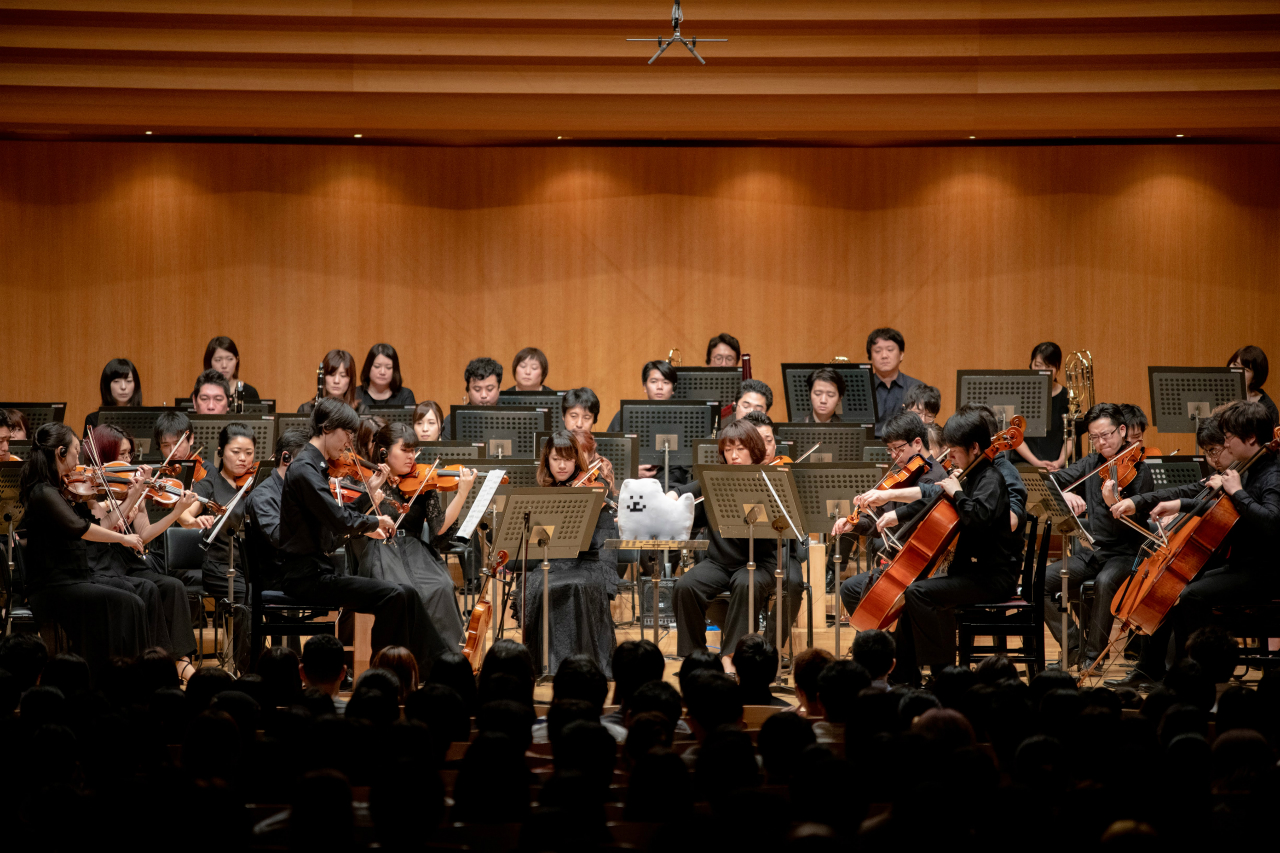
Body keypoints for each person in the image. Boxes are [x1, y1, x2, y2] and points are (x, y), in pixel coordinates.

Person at [1108, 401, 1279, 688]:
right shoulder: (1247, 467)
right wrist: (1182, 501)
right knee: (1176, 589)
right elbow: (1217, 504)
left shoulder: (1271, 473)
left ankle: (1198, 676)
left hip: (1264, 571)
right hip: (1242, 564)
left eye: (1229, 437)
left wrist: (1237, 492)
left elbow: (1272, 523)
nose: (1225, 443)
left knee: (1191, 596)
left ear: (1250, 438)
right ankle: (1166, 671)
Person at [277, 398, 451, 665]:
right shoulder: (305, 470)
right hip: (305, 578)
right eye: (347, 433)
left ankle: (434, 665)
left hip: (317, 572)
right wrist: (375, 522)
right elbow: (339, 520)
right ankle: (385, 671)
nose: (349, 442)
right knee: (394, 595)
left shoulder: (313, 467)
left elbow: (335, 522)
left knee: (407, 593)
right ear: (327, 428)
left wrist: (369, 494)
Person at [890, 409, 1023, 684]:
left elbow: (978, 519)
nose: (949, 458)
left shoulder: (991, 479)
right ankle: (904, 678)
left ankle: (944, 677)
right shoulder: (971, 475)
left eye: (954, 451)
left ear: (974, 447)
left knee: (920, 593)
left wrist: (958, 493)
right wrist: (897, 513)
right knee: (910, 595)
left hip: (993, 576)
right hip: (971, 572)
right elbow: (935, 498)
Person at [671, 419, 804, 666]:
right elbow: (681, 492)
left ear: (754, 450)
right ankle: (695, 658)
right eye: (728, 449)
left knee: (746, 583)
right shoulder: (715, 478)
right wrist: (671, 497)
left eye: (740, 449)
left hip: (760, 561)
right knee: (685, 586)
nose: (733, 456)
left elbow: (787, 525)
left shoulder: (770, 479)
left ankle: (731, 658)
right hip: (720, 562)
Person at [18, 423, 149, 668]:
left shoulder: (60, 489)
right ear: (60, 452)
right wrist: (123, 538)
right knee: (130, 603)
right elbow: (81, 528)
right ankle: (120, 674)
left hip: (77, 579)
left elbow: (101, 524)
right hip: (54, 585)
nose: (79, 460)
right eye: (76, 452)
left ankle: (125, 674)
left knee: (133, 598)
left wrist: (131, 498)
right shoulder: (43, 492)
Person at [1040, 403, 1155, 671]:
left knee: (1104, 582)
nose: (1101, 442)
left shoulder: (1140, 470)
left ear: (1122, 431)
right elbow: (1051, 481)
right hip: (1095, 551)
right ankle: (1073, 646)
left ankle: (1093, 657)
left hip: (1127, 553)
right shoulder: (1091, 463)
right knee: (1040, 581)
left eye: (1106, 435)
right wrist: (1065, 493)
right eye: (1094, 437)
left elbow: (1135, 522)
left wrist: (1114, 501)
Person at [82, 425, 200, 678]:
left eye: (130, 454)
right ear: (104, 455)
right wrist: (129, 500)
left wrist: (177, 512)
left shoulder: (130, 485)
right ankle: (157, 666)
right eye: (121, 455)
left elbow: (143, 535)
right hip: (98, 562)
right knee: (148, 589)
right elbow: (101, 527)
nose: (127, 462)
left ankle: (181, 659)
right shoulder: (89, 490)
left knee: (173, 586)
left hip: (125, 560)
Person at [349, 422, 473, 649]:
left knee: (443, 585)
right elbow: (352, 521)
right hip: (380, 552)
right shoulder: (367, 480)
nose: (411, 456)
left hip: (416, 551)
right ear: (384, 453)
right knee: (401, 591)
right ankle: (401, 656)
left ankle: (443, 656)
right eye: (404, 450)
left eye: (413, 450)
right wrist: (370, 495)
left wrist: (461, 494)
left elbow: (439, 528)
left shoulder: (422, 482)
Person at [515, 431, 619, 676]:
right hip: (554, 561)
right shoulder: (546, 492)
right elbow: (538, 540)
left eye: (568, 459)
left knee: (575, 585)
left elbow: (600, 539)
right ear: (546, 461)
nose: (561, 465)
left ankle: (579, 662)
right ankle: (545, 663)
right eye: (555, 459)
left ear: (577, 460)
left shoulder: (594, 487)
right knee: (536, 583)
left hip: (589, 561)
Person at [830, 411, 948, 618]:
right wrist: (854, 524)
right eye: (890, 450)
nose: (893, 456)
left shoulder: (934, 477)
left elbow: (913, 514)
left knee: (856, 589)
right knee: (850, 588)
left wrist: (889, 502)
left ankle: (885, 633)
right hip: (899, 564)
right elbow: (880, 522)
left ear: (917, 443)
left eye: (898, 449)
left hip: (918, 567)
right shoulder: (906, 476)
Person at [182, 422, 259, 670]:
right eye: (236, 452)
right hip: (220, 567)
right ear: (221, 452)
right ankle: (249, 670)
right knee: (246, 603)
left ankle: (274, 663)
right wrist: (195, 521)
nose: (243, 458)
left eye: (248, 453)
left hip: (253, 566)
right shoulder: (210, 484)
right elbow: (184, 514)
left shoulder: (257, 483)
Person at [244, 427, 311, 593]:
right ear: (286, 458)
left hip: (303, 573)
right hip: (280, 580)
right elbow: (280, 538)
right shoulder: (262, 497)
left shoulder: (301, 491)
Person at [607, 360, 683, 484]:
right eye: (653, 381)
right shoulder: (625, 415)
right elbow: (607, 456)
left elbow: (688, 467)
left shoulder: (685, 419)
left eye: (666, 382)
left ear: (673, 388)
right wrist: (630, 471)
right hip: (632, 482)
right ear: (644, 386)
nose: (659, 387)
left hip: (672, 484)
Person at [1017, 342, 1069, 471]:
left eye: (1049, 366)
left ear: (1058, 369)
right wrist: (1036, 463)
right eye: (1038, 365)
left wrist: (1059, 463)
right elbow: (1015, 435)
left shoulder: (1067, 397)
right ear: (1031, 365)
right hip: (1025, 462)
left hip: (1058, 465)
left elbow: (1071, 436)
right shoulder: (1020, 393)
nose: (1043, 371)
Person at [866, 328, 922, 438]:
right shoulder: (862, 388)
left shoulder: (917, 388)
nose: (884, 355)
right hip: (867, 445)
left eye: (890, 350)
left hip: (906, 445)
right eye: (877, 351)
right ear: (870, 356)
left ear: (901, 354)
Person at [440, 357, 502, 439]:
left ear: (499, 389)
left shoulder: (513, 418)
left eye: (489, 389)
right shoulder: (453, 421)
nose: (483, 395)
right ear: (468, 390)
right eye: (477, 389)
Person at [298, 349, 366, 414]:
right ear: (323, 377)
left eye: (343, 376)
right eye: (331, 375)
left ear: (350, 380)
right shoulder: (306, 410)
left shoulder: (361, 411)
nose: (336, 381)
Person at [84, 358, 143, 431]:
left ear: (136, 384)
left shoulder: (149, 416)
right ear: (107, 385)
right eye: (116, 381)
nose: (123, 387)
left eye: (129, 381)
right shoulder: (93, 420)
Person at [1229, 345, 1278, 427]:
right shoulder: (1215, 392)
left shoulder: (1268, 407)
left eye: (1246, 370)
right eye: (1235, 365)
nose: (1237, 372)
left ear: (1255, 378)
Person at [203, 336, 260, 404]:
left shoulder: (250, 393)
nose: (224, 365)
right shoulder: (201, 393)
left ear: (237, 360)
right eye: (218, 360)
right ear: (209, 362)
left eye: (229, 359)